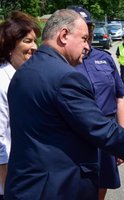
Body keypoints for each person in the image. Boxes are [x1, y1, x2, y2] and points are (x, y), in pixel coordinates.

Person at [5, 9, 124, 200]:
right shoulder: (65, 77)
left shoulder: (22, 72)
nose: (87, 47)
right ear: (64, 35)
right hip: (57, 190)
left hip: (26, 187)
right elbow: (99, 128)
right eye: (83, 38)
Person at [73, 7, 124, 200]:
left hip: (107, 131)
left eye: (88, 27)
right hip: (78, 133)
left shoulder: (104, 58)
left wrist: (122, 140)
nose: (86, 33)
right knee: (76, 184)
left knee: (102, 182)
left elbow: (118, 98)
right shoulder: (64, 61)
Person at [0, 11, 40, 199]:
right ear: (9, 45)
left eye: (35, 41)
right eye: (27, 41)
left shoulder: (19, 77)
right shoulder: (2, 82)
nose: (34, 47)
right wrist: (8, 188)